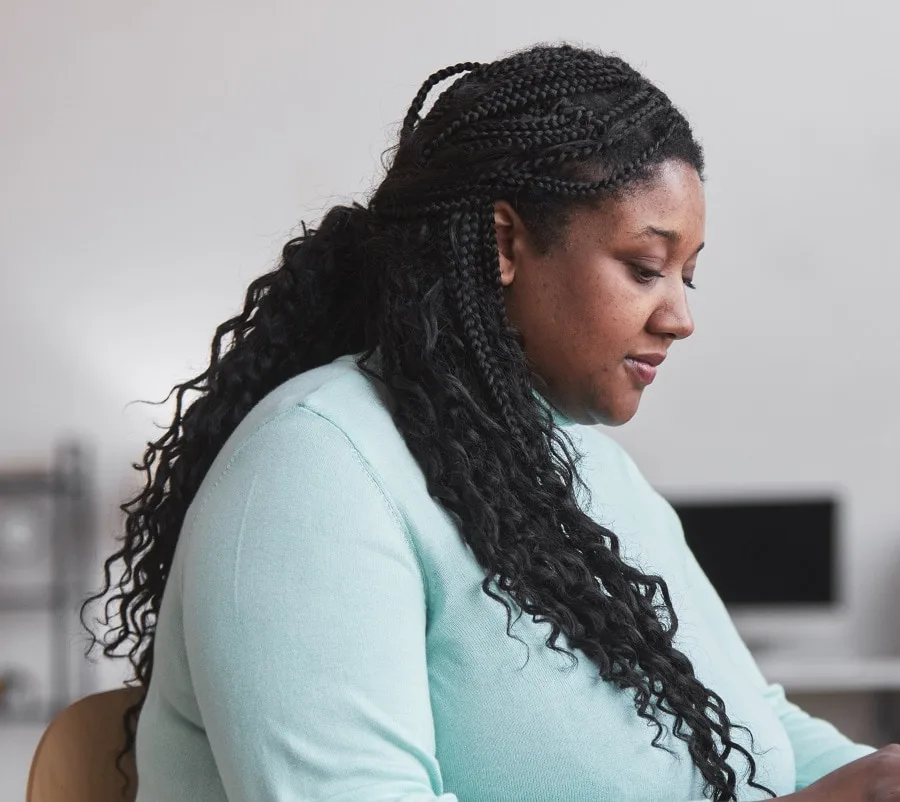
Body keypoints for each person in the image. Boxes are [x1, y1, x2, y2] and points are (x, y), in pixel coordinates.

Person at [85, 43, 900, 801]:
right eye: (646, 268)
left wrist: (873, 776)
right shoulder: (314, 469)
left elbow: (755, 724)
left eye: (688, 276)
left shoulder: (593, 472)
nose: (679, 316)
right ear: (505, 242)